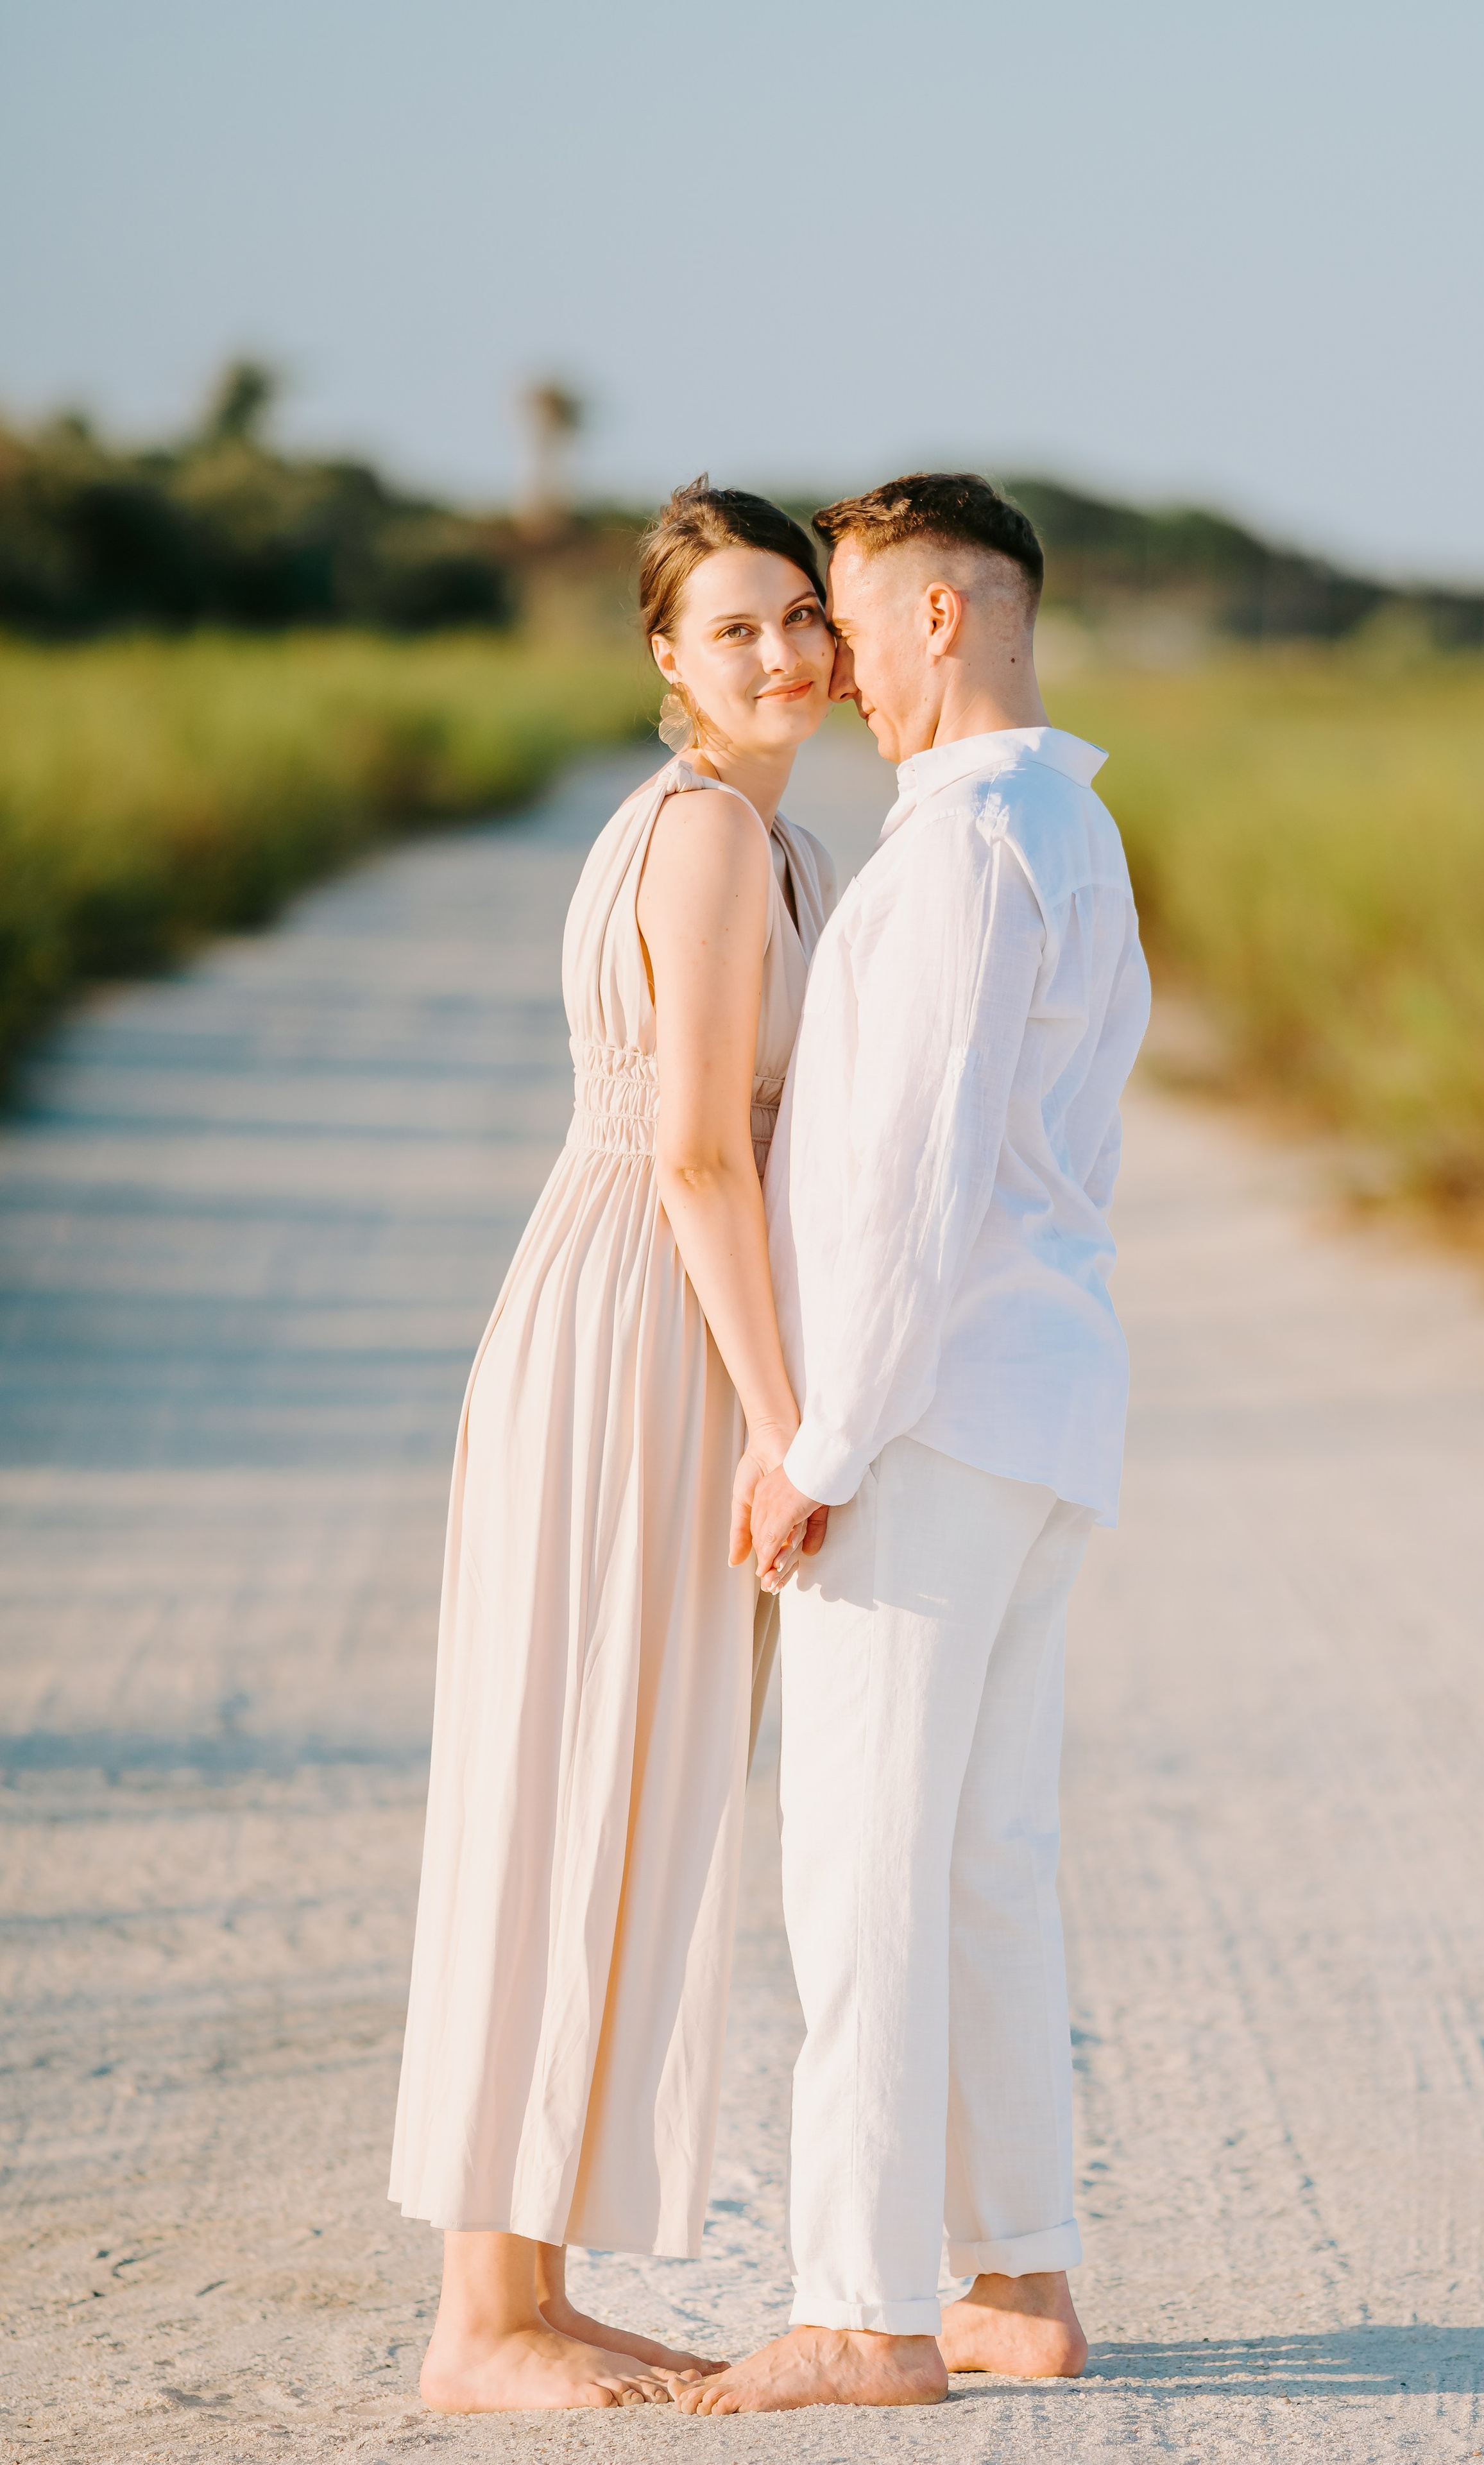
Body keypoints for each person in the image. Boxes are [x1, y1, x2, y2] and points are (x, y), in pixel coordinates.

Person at [678, 472, 1152, 2416]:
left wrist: (822, 1438)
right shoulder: (1075, 823)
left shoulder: (962, 846)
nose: (833, 669)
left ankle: (866, 2310)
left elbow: (920, 1181)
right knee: (983, 1859)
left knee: (864, 1868)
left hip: (931, 1422)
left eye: (853, 629)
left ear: (941, 619)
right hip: (1037, 1417)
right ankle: (1017, 2279)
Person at [389, 478, 837, 2412]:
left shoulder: (764, 828)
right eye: (733, 626)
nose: (781, 649)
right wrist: (789, 1414)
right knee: (560, 1785)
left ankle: (533, 2293)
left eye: (800, 613)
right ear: (667, 659)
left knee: (611, 1791)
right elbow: (695, 1149)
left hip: (652, 1309)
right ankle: (480, 2322)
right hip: (641, 1321)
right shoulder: (714, 835)